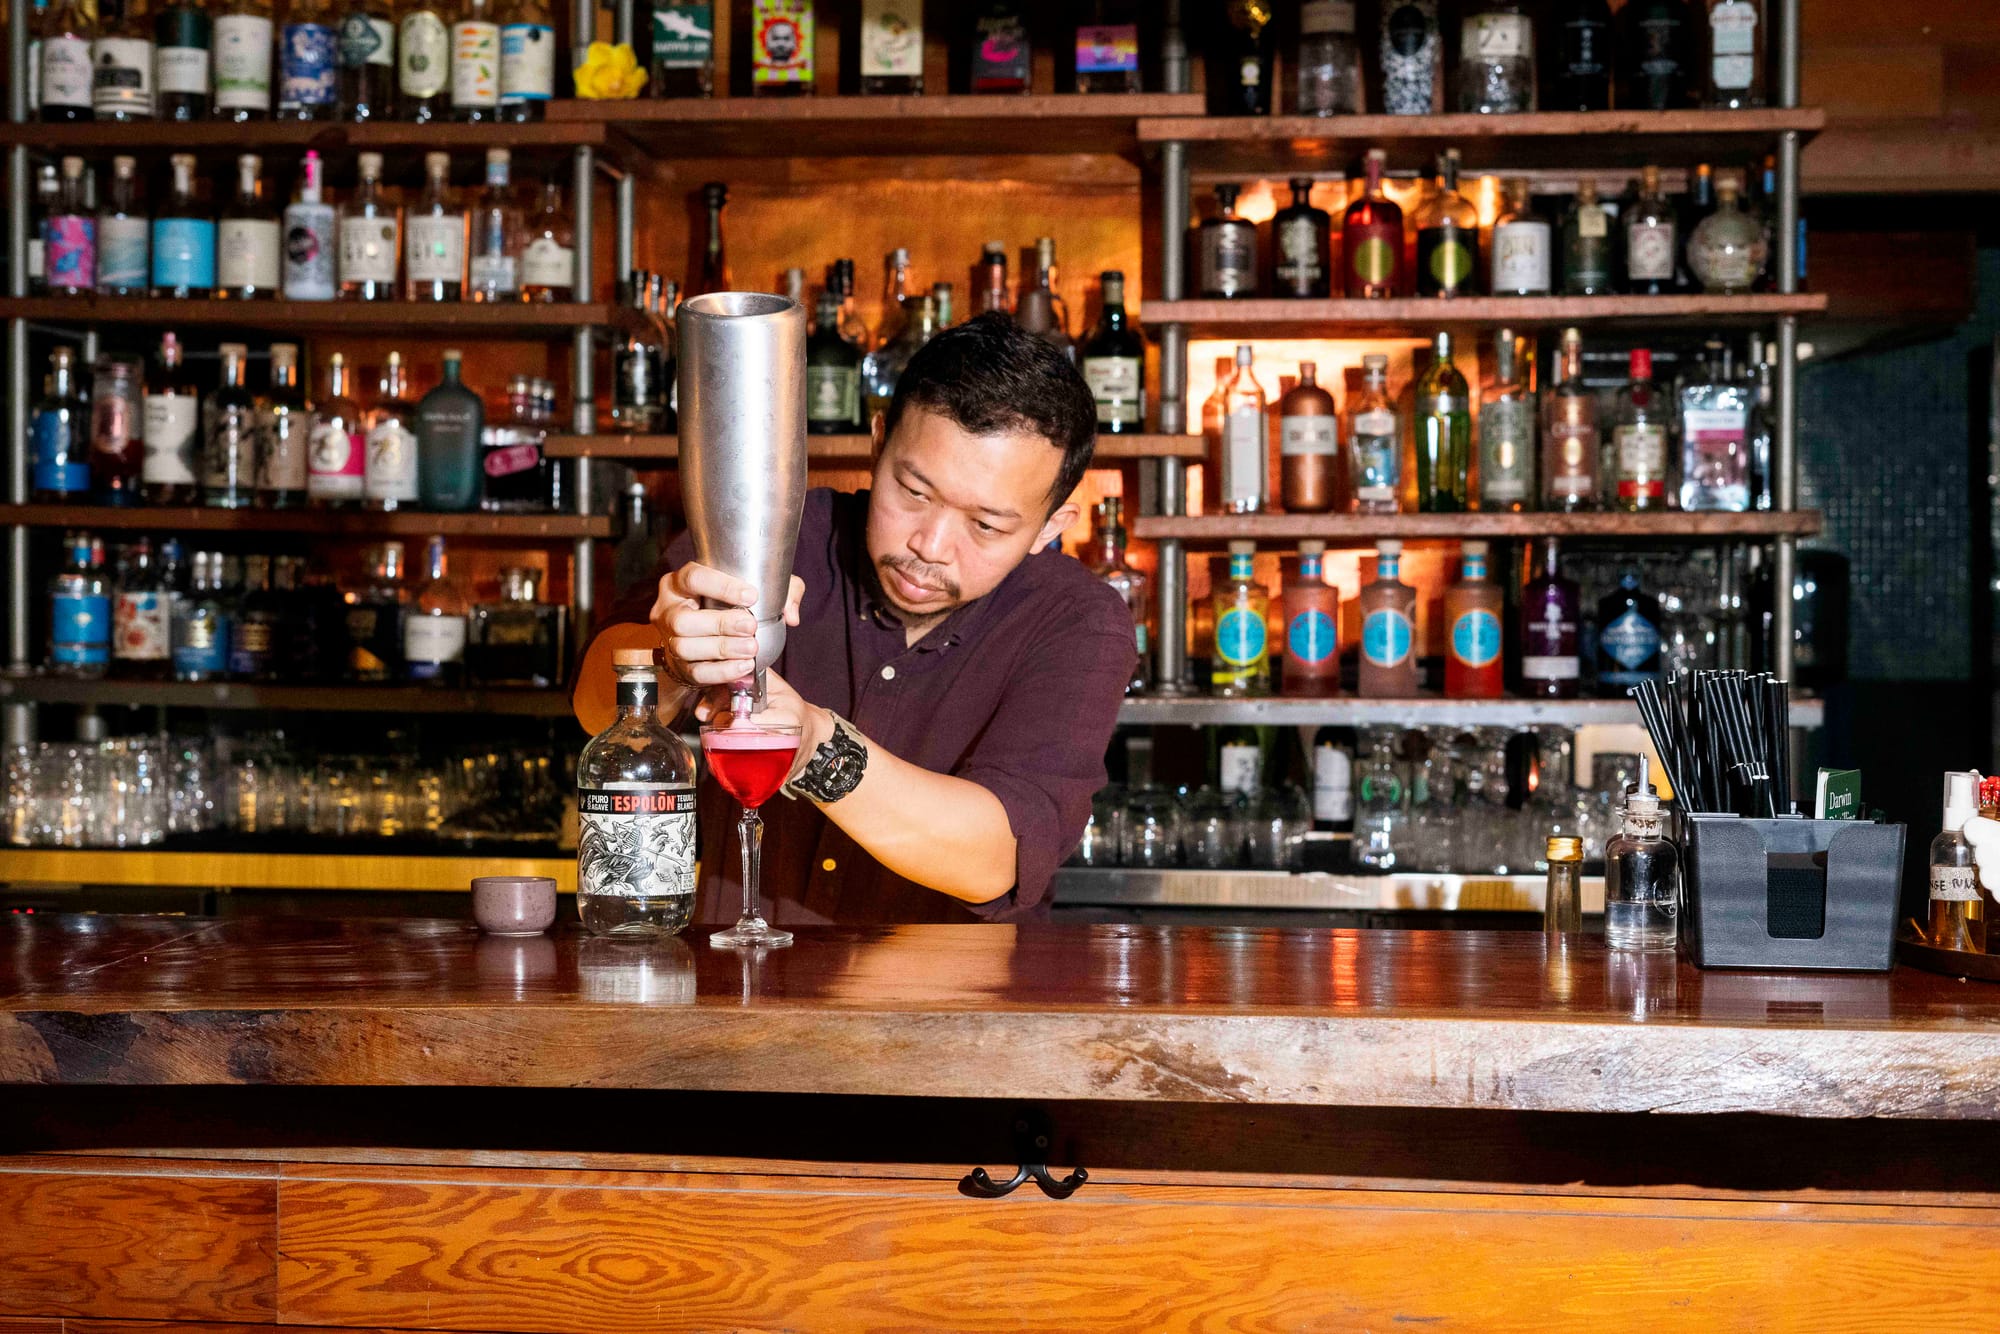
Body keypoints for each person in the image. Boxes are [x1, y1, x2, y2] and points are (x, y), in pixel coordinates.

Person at [574, 312, 1137, 925]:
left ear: (1051, 526)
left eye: (986, 525)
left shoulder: (1078, 621)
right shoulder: (774, 533)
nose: (932, 544)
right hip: (733, 999)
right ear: (877, 445)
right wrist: (675, 661)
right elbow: (594, 711)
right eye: (914, 493)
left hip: (943, 1012)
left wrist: (818, 744)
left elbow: (995, 857)